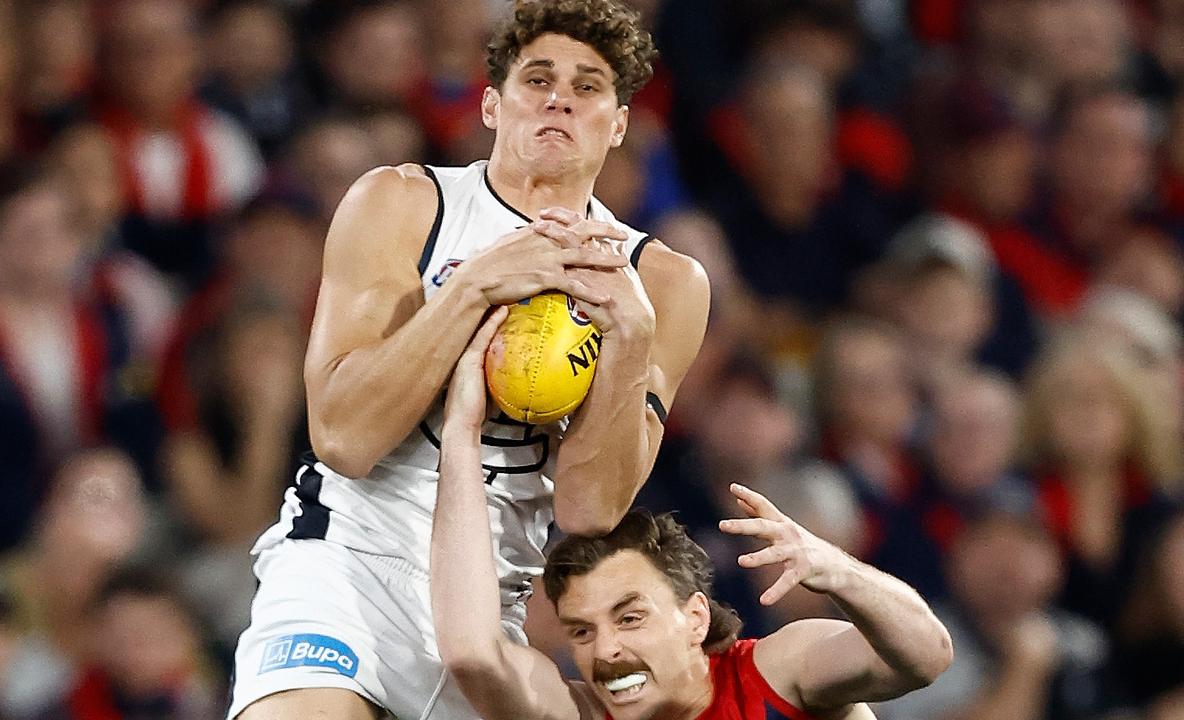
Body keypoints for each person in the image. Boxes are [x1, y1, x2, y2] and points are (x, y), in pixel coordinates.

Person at [228, 2, 711, 718]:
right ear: (491, 103)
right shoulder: (402, 203)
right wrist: (477, 287)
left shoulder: (663, 283)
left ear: (618, 124)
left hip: (486, 603)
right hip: (344, 564)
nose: (559, 98)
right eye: (538, 78)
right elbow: (344, 438)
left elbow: (588, 507)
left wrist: (631, 340)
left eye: (587, 87)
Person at [431, 313, 954, 720]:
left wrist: (837, 570)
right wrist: (461, 433)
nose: (606, 650)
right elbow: (475, 656)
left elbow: (926, 656)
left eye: (630, 617)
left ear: (696, 617)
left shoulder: (778, 670)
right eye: (582, 632)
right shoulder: (584, 711)